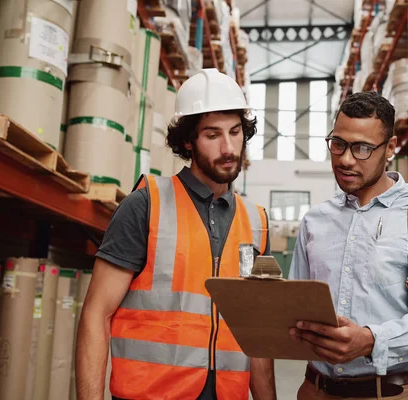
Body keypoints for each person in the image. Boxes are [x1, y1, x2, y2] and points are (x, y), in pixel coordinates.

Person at [76, 69, 276, 400]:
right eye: (212, 135)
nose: (228, 147)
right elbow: (97, 314)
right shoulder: (146, 204)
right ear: (187, 141)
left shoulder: (256, 222)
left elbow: (256, 330)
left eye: (235, 132)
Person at [288, 92, 408, 399]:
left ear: (390, 148)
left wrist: (372, 340)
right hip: (315, 390)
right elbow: (296, 308)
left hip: (388, 392)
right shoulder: (315, 221)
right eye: (338, 144)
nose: (346, 159)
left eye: (362, 148)